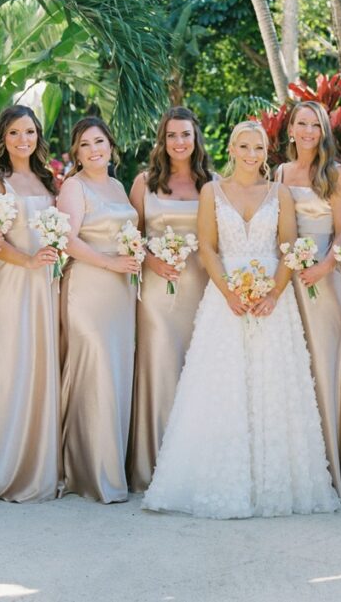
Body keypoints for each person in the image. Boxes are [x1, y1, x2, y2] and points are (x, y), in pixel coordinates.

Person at [143, 121, 339, 518]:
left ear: (268, 152)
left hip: (273, 301)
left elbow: (287, 248)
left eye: (260, 148)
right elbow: (208, 248)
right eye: (245, 146)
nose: (253, 155)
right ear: (231, 149)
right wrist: (229, 292)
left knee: (273, 385)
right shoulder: (211, 191)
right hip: (224, 299)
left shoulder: (279, 192)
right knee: (221, 385)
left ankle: (272, 483)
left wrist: (272, 293)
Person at [275, 101, 341, 501]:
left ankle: (336, 467)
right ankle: (299, 466)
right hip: (288, 277)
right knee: (294, 367)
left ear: (323, 130)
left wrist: (324, 268)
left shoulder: (336, 173)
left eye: (315, 124)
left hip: (324, 277)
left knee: (326, 364)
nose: (308, 131)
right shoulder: (278, 173)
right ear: (290, 129)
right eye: (301, 124)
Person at [0, 105, 61, 503]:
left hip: (43, 286)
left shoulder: (49, 181)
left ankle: (34, 468)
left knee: (36, 370)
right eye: (14, 133)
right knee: (4, 371)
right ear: (2, 139)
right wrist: (26, 261)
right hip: (6, 285)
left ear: (38, 136)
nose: (22, 140)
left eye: (29, 132)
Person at [127, 107, 213, 493]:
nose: (180, 142)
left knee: (199, 372)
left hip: (201, 289)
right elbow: (130, 238)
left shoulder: (213, 184)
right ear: (162, 140)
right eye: (172, 135)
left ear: (196, 140)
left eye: (186, 135)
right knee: (160, 367)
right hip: (159, 292)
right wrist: (152, 259)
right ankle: (154, 465)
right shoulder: (144, 183)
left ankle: (196, 462)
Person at [57, 116, 140, 503]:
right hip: (88, 288)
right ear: (76, 152)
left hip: (121, 293)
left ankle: (112, 468)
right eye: (85, 144)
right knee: (96, 371)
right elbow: (67, 242)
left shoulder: (119, 186)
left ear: (111, 145)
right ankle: (90, 473)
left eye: (100, 142)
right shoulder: (74, 186)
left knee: (117, 374)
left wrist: (131, 257)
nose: (94, 150)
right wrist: (111, 263)